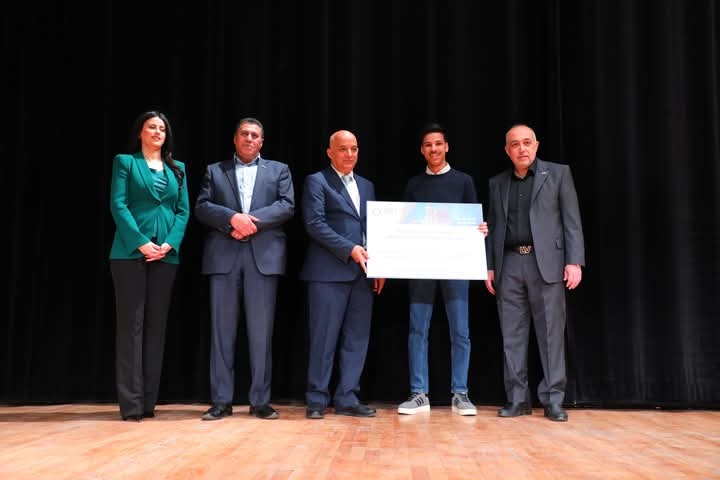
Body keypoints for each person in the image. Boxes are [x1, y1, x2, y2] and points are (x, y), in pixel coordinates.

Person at [194, 117, 295, 421]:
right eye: (244, 134)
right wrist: (231, 220)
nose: (249, 139)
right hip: (224, 256)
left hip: (262, 258)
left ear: (261, 142)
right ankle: (221, 401)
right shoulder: (215, 170)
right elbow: (202, 206)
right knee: (221, 332)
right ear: (235, 139)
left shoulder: (279, 170)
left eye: (255, 135)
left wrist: (249, 223)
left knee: (261, 334)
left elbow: (286, 205)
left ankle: (260, 401)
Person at [484, 123, 585, 422]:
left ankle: (553, 400)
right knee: (511, 336)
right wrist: (489, 265)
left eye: (527, 142)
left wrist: (574, 261)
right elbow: (492, 226)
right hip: (509, 264)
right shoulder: (497, 183)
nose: (522, 148)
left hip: (547, 264)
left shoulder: (558, 174)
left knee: (551, 334)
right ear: (507, 150)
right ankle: (517, 399)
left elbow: (572, 221)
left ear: (536, 145)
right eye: (515, 144)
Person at [397, 122, 487, 416]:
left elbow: (473, 220)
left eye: (438, 143)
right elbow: (403, 225)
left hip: (456, 266)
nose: (433, 149)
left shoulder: (464, 181)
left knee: (460, 331)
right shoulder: (413, 184)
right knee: (417, 330)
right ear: (422, 150)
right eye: (428, 145)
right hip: (421, 267)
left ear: (446, 147)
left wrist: (480, 229)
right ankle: (418, 393)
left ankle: (460, 393)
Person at [109, 110, 190, 422]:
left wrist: (170, 244)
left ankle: (147, 403)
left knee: (156, 328)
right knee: (132, 327)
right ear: (140, 132)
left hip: (166, 255)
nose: (157, 132)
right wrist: (141, 242)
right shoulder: (125, 163)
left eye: (162, 128)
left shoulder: (178, 169)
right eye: (151, 127)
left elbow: (182, 210)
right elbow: (118, 204)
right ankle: (131, 406)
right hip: (130, 253)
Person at [300, 129, 385, 419]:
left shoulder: (367, 185)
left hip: (362, 275)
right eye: (343, 149)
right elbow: (315, 224)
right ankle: (316, 400)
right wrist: (350, 249)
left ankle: (347, 397)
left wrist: (380, 266)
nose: (349, 154)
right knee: (323, 340)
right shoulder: (317, 181)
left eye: (354, 149)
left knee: (356, 339)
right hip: (327, 274)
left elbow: (373, 229)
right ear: (330, 152)